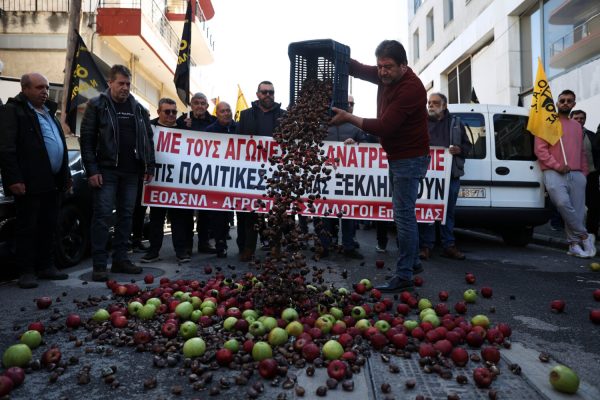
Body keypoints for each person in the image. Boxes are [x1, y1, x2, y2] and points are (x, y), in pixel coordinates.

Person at [331, 40, 429, 292]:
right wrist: (337, 57)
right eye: (380, 66)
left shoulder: (411, 89)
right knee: (404, 213)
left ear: (403, 66)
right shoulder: (385, 75)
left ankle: (405, 273)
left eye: (388, 67)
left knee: (404, 216)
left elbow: (384, 126)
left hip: (409, 159)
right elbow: (360, 69)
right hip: (397, 156)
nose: (382, 72)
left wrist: (349, 117)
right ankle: (414, 260)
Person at [80, 64, 155, 281]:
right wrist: (92, 170)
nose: (125, 88)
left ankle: (121, 260)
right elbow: (86, 140)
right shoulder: (97, 105)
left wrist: (149, 166)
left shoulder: (139, 108)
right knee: (102, 217)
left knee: (126, 216)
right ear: (110, 83)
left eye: (128, 84)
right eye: (120, 83)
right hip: (106, 171)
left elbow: (147, 140)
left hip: (132, 173)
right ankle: (100, 265)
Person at [0, 72, 71, 288]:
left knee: (49, 225)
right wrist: (14, 179)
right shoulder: (13, 111)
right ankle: (26, 271)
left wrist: (66, 175)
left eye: (46, 88)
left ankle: (46, 266)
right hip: (28, 182)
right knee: (27, 227)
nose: (45, 92)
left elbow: (60, 145)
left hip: (52, 180)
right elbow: (6, 148)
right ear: (25, 89)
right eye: (39, 87)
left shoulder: (49, 111)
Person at [534, 90, 595, 258]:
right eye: (562, 100)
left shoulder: (576, 126)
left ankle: (573, 245)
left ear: (574, 104)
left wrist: (584, 172)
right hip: (553, 171)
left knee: (577, 211)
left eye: (569, 101)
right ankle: (584, 235)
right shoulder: (547, 123)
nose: (565, 103)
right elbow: (540, 150)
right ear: (557, 103)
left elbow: (582, 151)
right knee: (562, 203)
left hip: (577, 174)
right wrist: (557, 166)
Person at [235, 81, 285, 261]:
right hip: (252, 172)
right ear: (257, 94)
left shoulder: (283, 115)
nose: (268, 95)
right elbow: (238, 141)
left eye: (271, 92)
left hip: (276, 172)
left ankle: (275, 248)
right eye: (264, 92)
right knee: (250, 213)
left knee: (276, 214)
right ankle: (248, 248)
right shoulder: (246, 115)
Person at [418, 93, 471, 261]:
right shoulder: (421, 124)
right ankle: (426, 246)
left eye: (435, 103)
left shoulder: (456, 123)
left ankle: (448, 245)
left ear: (444, 106)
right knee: (427, 210)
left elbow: (468, 146)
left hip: (450, 176)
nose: (431, 106)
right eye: (429, 103)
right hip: (427, 176)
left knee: (448, 211)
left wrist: (459, 150)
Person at [141, 98, 194, 263]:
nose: (171, 115)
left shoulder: (185, 128)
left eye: (174, 112)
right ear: (158, 112)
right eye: (167, 111)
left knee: (178, 219)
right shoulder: (149, 128)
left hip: (177, 182)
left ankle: (180, 251)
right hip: (156, 181)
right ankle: (153, 251)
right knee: (156, 218)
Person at [317, 95, 365, 259]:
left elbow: (369, 148)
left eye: (352, 103)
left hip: (348, 179)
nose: (350, 106)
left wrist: (357, 144)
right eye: (347, 104)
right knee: (325, 213)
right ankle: (325, 245)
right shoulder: (322, 125)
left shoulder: (356, 126)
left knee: (348, 214)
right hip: (326, 177)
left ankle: (349, 246)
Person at [177, 92, 217, 255]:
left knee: (206, 211)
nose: (200, 106)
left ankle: (204, 242)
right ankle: (187, 244)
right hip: (187, 174)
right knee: (187, 211)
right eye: (196, 103)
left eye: (203, 103)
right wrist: (182, 128)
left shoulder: (214, 122)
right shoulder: (182, 120)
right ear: (191, 105)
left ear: (207, 106)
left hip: (208, 173)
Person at [205, 101, 237, 258]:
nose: (226, 113)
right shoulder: (210, 131)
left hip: (238, 178)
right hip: (218, 179)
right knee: (219, 214)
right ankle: (220, 243)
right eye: (223, 111)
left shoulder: (239, 129)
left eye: (228, 110)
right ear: (216, 114)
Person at [571, 109, 600, 238]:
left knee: (594, 205)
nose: (579, 120)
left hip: (591, 175)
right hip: (573, 175)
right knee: (573, 205)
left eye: (582, 118)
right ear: (571, 119)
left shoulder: (591, 135)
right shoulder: (563, 135)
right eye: (576, 118)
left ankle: (591, 232)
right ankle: (574, 232)